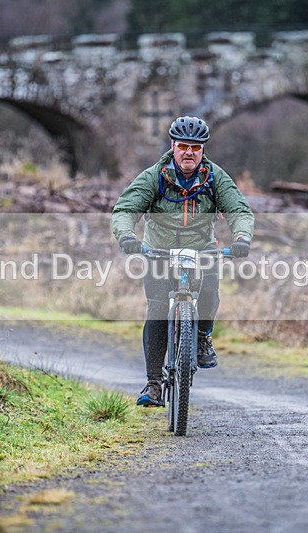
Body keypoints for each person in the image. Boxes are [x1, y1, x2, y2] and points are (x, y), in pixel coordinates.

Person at [111, 115, 255, 407]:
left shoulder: (215, 177)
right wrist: (126, 235)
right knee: (158, 308)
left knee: (211, 290)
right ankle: (153, 384)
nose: (189, 152)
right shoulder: (154, 176)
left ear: (203, 150)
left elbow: (239, 209)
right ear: (173, 146)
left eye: (196, 147)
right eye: (183, 146)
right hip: (159, 251)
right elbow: (125, 208)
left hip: (201, 249)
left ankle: (202, 336)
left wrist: (241, 238)